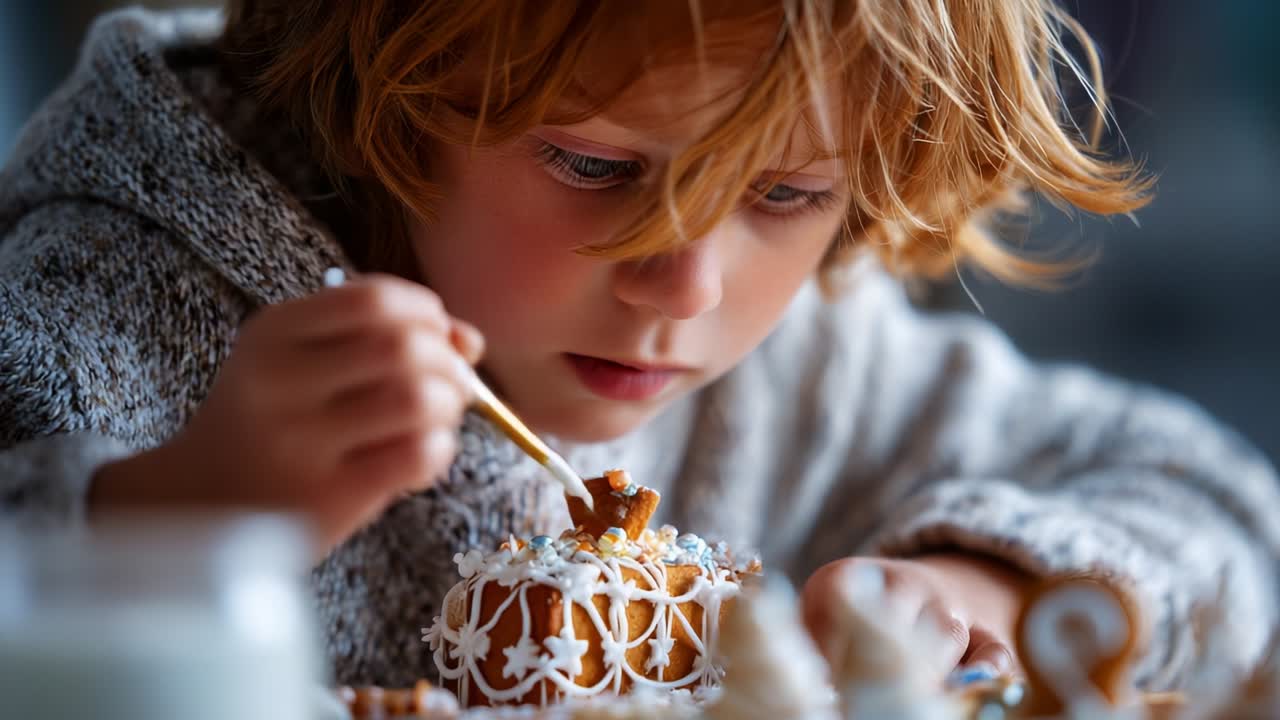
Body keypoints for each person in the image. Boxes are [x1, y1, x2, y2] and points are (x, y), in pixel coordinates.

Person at [0, 1, 1275, 691]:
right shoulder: (113, 296)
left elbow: (1215, 499)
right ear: (376, 89)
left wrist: (978, 586)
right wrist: (177, 522)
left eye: (785, 197)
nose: (687, 284)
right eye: (596, 168)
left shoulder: (805, 368)